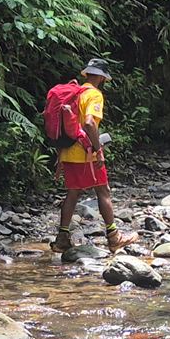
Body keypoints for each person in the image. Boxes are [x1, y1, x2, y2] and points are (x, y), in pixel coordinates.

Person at [53, 59, 139, 254]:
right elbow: (90, 123)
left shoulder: (76, 93)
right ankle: (114, 237)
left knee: (73, 193)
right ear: (102, 76)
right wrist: (98, 149)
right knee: (103, 190)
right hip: (86, 154)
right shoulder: (94, 94)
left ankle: (62, 238)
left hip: (67, 151)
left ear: (87, 74)